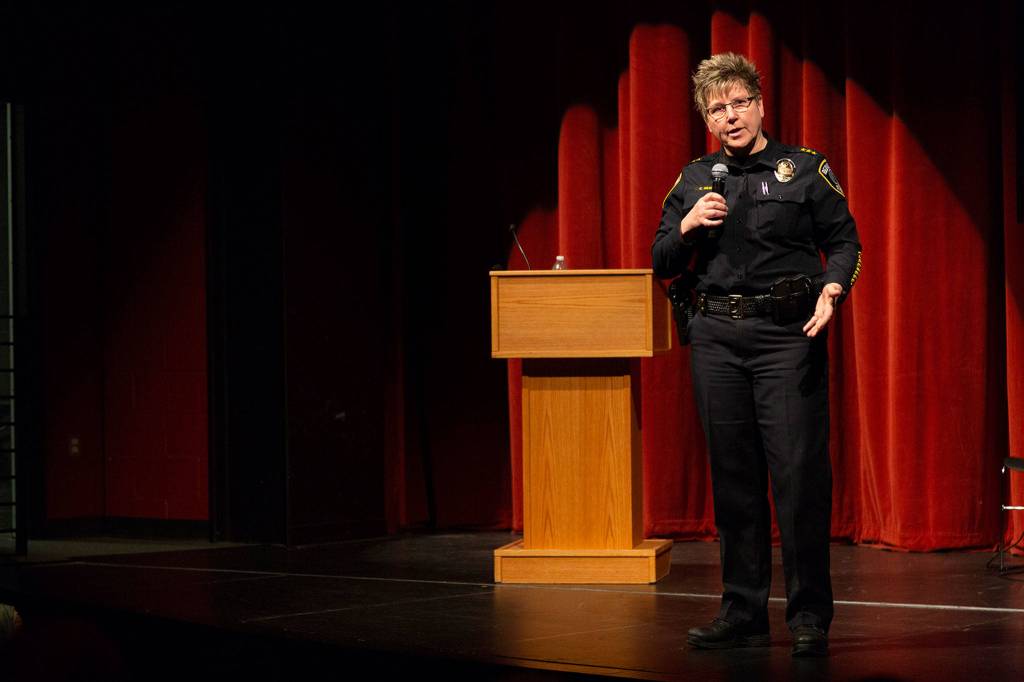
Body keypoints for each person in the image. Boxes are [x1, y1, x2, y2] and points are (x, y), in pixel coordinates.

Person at [651, 53, 862, 657]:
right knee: (734, 479)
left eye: (740, 102)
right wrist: (687, 226)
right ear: (707, 120)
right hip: (716, 338)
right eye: (718, 108)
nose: (731, 115)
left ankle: (808, 616)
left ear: (760, 106)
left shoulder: (805, 169)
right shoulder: (694, 178)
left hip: (786, 338)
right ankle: (742, 611)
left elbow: (845, 242)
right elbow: (660, 259)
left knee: (798, 478)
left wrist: (833, 287)